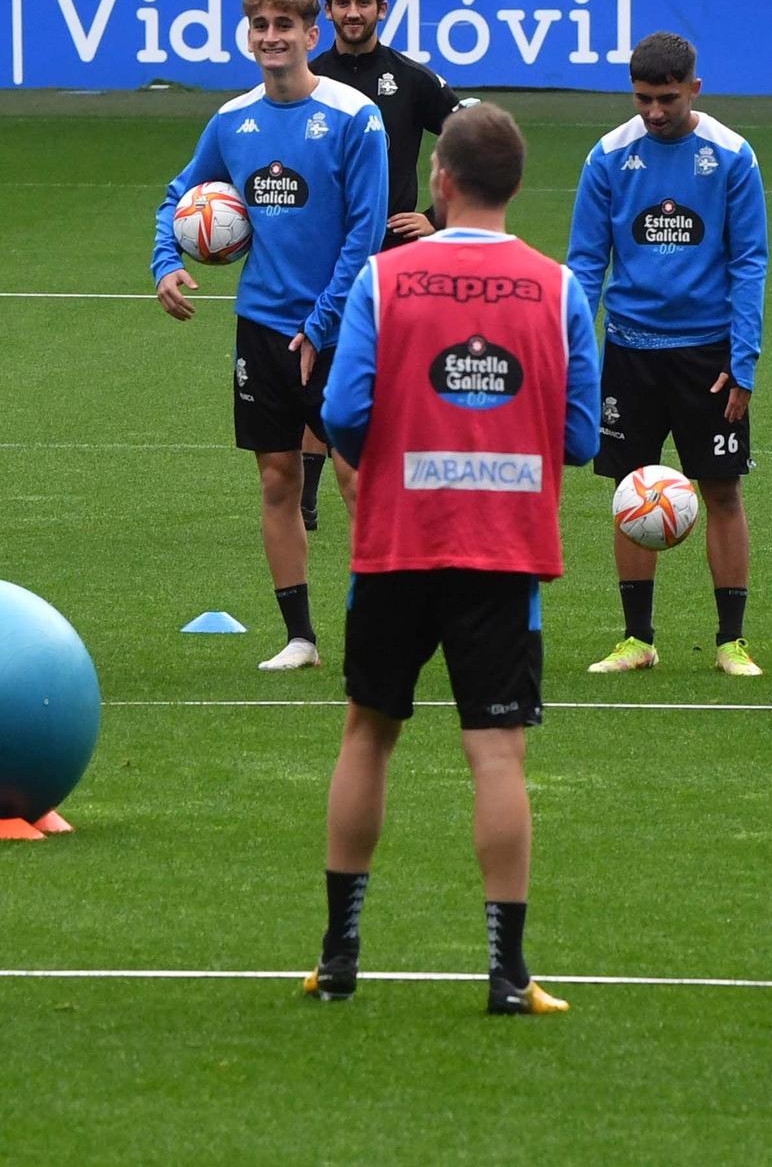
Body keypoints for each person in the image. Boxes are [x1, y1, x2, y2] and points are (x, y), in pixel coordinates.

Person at [308, 102, 600, 1014]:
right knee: (498, 754)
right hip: (504, 551)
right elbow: (584, 436)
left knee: (369, 732)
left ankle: (340, 958)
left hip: (395, 542)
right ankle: (508, 974)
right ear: (516, 185)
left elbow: (344, 410)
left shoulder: (386, 280)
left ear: (441, 179)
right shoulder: (558, 290)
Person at [151, 0, 388, 671]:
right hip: (261, 327)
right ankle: (302, 639)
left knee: (354, 481)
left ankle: (377, 630)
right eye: (259, 25)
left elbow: (364, 232)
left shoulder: (354, 117)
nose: (271, 36)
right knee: (278, 480)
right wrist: (166, 258)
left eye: (285, 24)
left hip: (342, 331)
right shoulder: (233, 121)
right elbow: (178, 194)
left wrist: (321, 323)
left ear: (312, 36)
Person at [566, 31, 769, 677]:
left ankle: (731, 642)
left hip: (707, 357)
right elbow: (585, 264)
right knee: (631, 492)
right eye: (643, 99)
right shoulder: (607, 157)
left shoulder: (732, 157)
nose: (654, 112)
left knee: (723, 492)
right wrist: (572, 354)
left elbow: (749, 262)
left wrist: (744, 361)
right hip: (629, 353)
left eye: (667, 99)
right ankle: (636, 639)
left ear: (694, 90)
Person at [298, 0, 473, 534]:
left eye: (363, 2)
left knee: (392, 375)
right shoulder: (308, 76)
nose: (353, 12)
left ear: (382, 8)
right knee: (316, 365)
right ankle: (306, 494)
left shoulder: (409, 78)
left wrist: (435, 219)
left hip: (393, 259)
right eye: (343, 2)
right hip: (321, 255)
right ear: (327, 10)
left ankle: (399, 485)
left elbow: (476, 141)